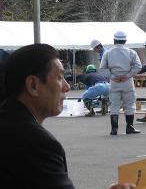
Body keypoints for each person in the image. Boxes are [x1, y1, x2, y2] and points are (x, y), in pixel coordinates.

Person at [0, 44, 135, 189]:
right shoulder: (37, 144)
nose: (67, 87)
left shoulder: (7, 121)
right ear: (33, 85)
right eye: (59, 77)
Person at [100, 31, 142, 135]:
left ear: (114, 40)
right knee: (130, 105)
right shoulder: (131, 52)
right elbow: (138, 66)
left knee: (114, 105)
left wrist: (113, 77)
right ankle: (129, 127)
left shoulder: (108, 53)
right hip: (127, 82)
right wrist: (127, 75)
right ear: (125, 40)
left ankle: (114, 129)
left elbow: (102, 69)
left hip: (114, 82)